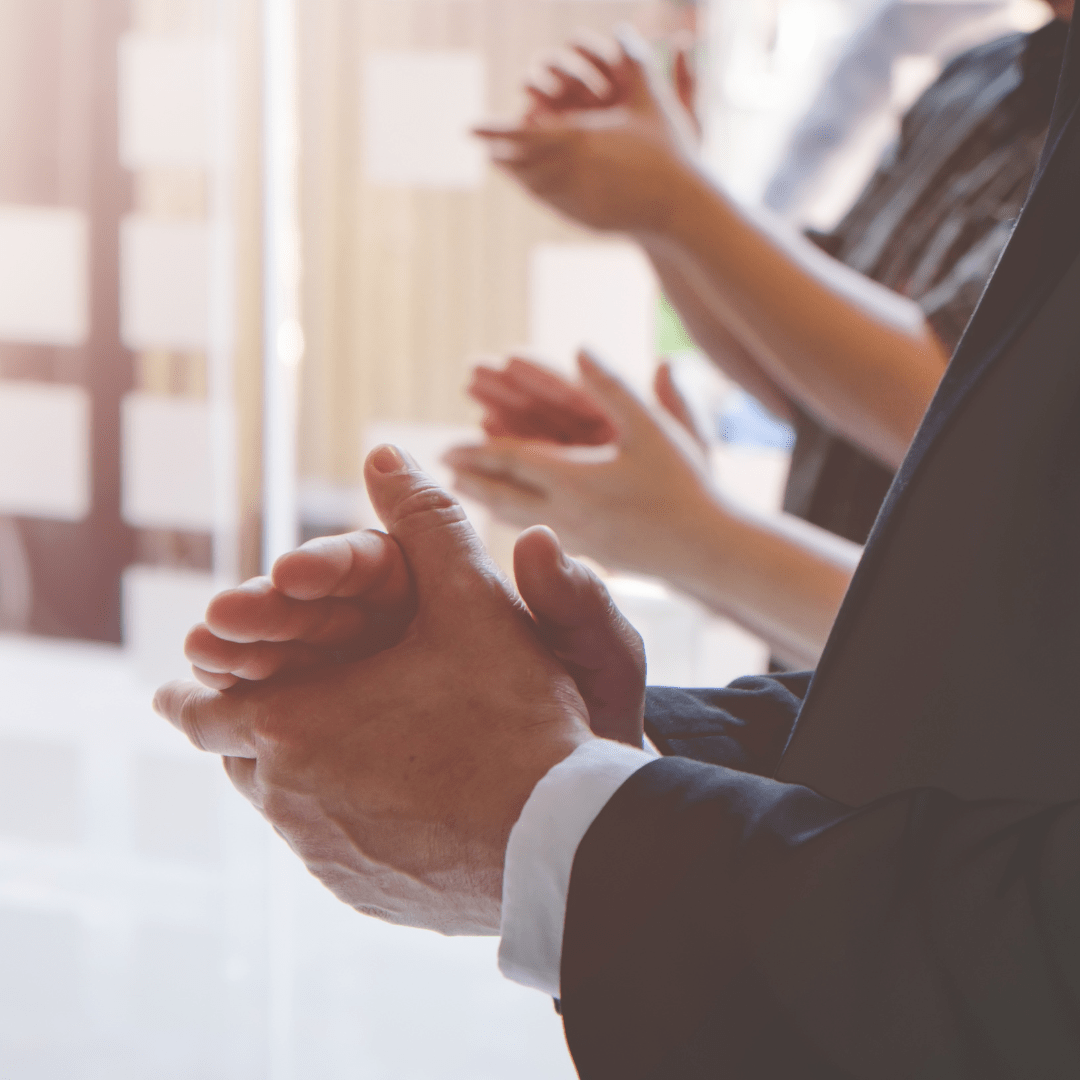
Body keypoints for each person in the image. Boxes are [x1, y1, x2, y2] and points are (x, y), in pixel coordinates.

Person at [155, 10, 1080, 1072]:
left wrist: (692, 545)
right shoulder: (983, 83)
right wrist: (581, 730)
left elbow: (934, 392)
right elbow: (870, 384)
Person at [449, 5, 1071, 666]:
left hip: (959, 730)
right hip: (837, 693)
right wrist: (657, 214)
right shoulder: (978, 76)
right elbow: (807, 378)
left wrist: (678, 197)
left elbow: (955, 410)